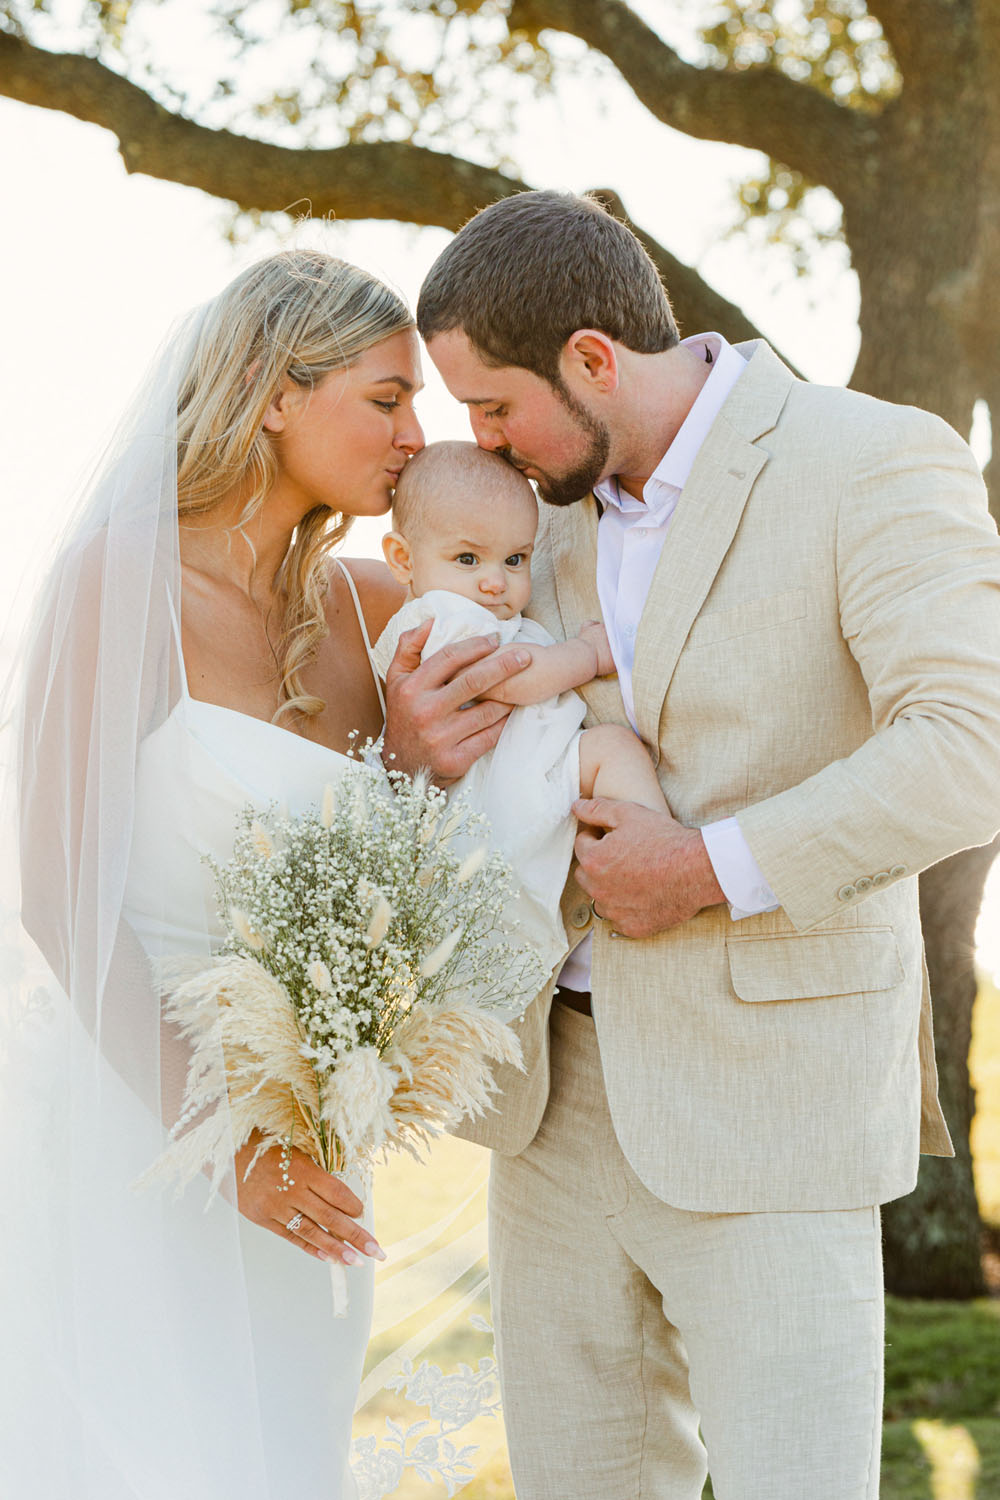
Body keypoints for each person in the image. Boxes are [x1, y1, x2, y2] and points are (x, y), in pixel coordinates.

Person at [376, 190, 1000, 1499]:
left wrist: (705, 867)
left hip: (773, 1098)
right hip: (546, 1109)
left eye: (493, 406)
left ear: (594, 359)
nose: (474, 443)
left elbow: (970, 742)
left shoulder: (872, 458)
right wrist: (417, 753)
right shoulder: (528, 505)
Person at [0, 249, 510, 1500]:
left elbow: (412, 857)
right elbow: (59, 895)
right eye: (387, 399)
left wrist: (415, 769)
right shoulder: (118, 585)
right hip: (143, 1120)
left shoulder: (375, 604)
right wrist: (228, 1145)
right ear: (275, 392)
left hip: (315, 1144)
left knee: (281, 1453)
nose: (415, 436)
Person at [372, 439, 667, 980]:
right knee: (614, 751)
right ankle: (653, 859)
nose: (495, 581)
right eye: (467, 558)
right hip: (501, 787)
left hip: (532, 760)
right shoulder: (438, 619)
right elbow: (511, 680)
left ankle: (646, 851)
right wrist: (587, 654)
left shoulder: (476, 606)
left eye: (515, 559)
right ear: (402, 559)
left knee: (612, 752)